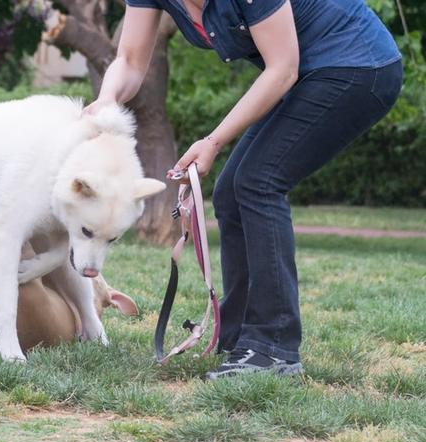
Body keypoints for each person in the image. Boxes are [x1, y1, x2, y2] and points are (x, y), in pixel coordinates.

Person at [86, 0, 403, 379]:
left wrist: (213, 140)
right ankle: (239, 341)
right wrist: (106, 101)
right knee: (231, 192)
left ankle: (274, 350)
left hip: (356, 64)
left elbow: (282, 69)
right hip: (307, 72)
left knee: (258, 182)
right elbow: (131, 61)